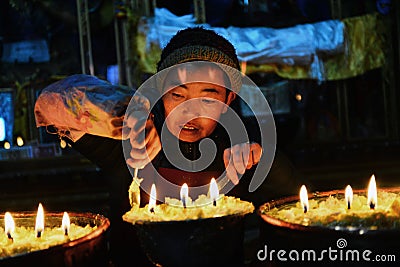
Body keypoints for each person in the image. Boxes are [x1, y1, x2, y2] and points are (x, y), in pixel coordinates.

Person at [34, 26, 305, 266]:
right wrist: (125, 110)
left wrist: (264, 160)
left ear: (228, 98)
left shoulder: (240, 148)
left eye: (208, 100)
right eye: (177, 95)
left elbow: (301, 214)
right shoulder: (127, 140)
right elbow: (49, 101)